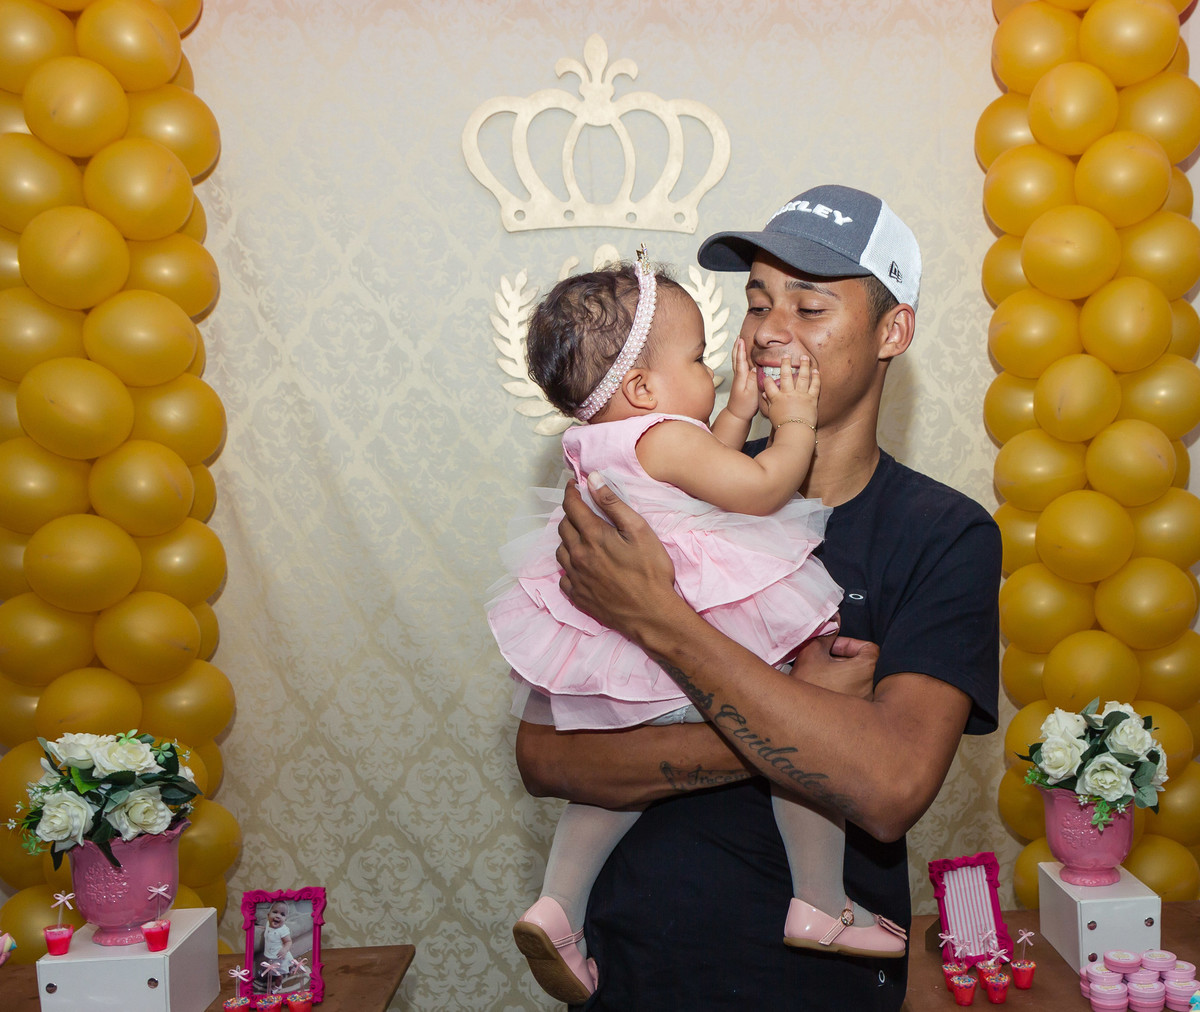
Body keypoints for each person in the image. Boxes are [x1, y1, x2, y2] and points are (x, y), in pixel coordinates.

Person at [516, 184, 1002, 1010]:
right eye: (755, 302)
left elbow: (887, 787)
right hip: (633, 976)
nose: (772, 330)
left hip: (821, 991)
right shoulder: (669, 497)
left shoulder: (943, 533)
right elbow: (550, 758)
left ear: (893, 330)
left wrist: (660, 621)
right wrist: (813, 715)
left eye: (810, 306)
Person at [489, 247, 906, 1003]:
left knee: (610, 787)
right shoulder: (666, 437)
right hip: (704, 632)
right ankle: (820, 901)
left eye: (808, 307)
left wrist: (740, 411)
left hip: (626, 658)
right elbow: (754, 487)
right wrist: (794, 422)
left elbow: (693, 472)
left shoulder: (599, 443)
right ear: (644, 386)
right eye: (697, 357)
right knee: (803, 732)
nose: (713, 369)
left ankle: (557, 906)